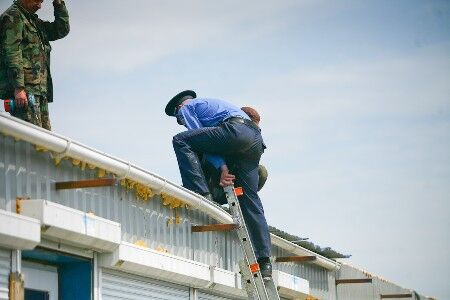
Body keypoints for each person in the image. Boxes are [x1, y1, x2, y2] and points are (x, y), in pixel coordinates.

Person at [166, 90, 273, 278]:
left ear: (179, 108)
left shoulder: (187, 108)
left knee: (181, 140)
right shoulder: (214, 107)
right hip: (255, 141)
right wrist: (224, 169)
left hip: (236, 133)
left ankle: (200, 194)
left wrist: (222, 168)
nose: (181, 121)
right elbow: (213, 143)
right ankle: (264, 263)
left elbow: (198, 141)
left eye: (179, 119)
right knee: (251, 202)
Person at [0, 0, 70, 130]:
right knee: (31, 138)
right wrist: (18, 88)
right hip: (25, 92)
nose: (39, 6)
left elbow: (61, 30)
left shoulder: (33, 21)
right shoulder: (13, 16)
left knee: (45, 140)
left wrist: (58, 3)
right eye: (37, 1)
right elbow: (11, 53)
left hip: (38, 91)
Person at [202, 106, 268, 205]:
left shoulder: (252, 142)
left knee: (261, 171)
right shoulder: (228, 132)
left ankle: (243, 199)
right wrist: (223, 167)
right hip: (212, 184)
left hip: (234, 189)